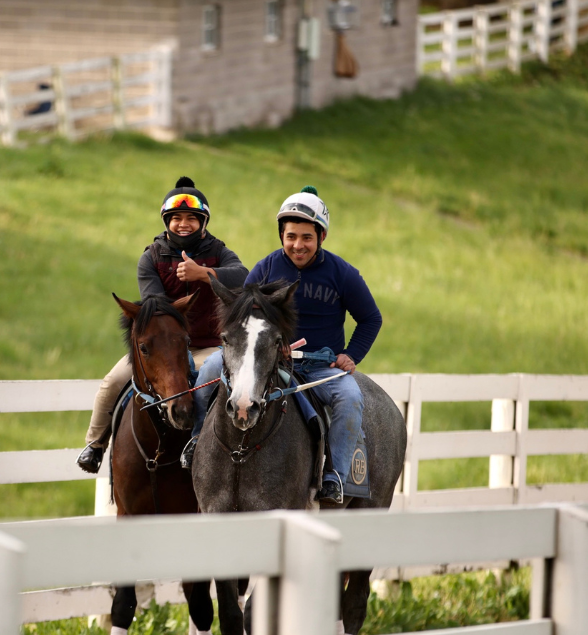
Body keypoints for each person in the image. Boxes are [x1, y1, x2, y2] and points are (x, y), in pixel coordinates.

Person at [180, 186, 383, 508]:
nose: (298, 245)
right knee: (208, 371)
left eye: (306, 237)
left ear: (321, 237)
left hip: (321, 366)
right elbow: (244, 320)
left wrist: (351, 355)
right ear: (282, 235)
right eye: (290, 236)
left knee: (351, 398)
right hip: (266, 359)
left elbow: (371, 318)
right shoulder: (266, 269)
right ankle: (196, 443)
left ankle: (335, 476)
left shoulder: (343, 274)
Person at [76, 177, 249, 474]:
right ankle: (95, 445)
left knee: (212, 384)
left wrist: (203, 274)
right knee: (113, 381)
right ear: (167, 221)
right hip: (165, 346)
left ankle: (213, 448)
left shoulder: (219, 252)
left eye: (191, 219)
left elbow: (243, 275)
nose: (183, 224)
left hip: (208, 345)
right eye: (177, 218)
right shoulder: (151, 258)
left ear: (203, 223)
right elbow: (155, 308)